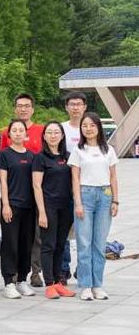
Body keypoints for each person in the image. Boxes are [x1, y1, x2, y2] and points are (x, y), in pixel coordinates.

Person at [69, 112, 119, 301]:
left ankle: (97, 285)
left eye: (92, 125)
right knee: (84, 243)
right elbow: (75, 178)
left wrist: (115, 200)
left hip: (105, 196)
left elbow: (113, 176)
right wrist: (78, 203)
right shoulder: (78, 150)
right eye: (85, 125)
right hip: (85, 196)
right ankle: (86, 285)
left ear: (98, 127)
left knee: (99, 244)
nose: (88, 129)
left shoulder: (109, 150)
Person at [33, 121, 76, 299]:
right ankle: (49, 284)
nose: (53, 135)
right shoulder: (40, 158)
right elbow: (37, 186)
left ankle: (58, 282)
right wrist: (42, 212)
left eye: (56, 132)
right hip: (48, 207)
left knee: (60, 245)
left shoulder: (68, 156)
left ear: (62, 135)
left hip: (66, 207)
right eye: (49, 132)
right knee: (48, 245)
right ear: (44, 136)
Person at [0, 119, 37, 299]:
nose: (18, 133)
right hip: (11, 205)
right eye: (14, 130)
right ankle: (9, 282)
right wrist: (6, 204)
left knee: (26, 244)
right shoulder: (4, 155)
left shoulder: (32, 156)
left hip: (29, 206)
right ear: (9, 134)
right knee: (10, 244)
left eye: (21, 130)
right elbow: (3, 181)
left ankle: (22, 280)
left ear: (26, 134)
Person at [60, 91, 87, 283]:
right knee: (63, 229)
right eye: (72, 104)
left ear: (84, 107)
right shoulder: (61, 129)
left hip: (86, 185)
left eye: (79, 104)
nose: (76, 107)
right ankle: (63, 269)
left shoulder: (90, 127)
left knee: (84, 230)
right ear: (66, 107)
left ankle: (83, 268)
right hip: (63, 184)